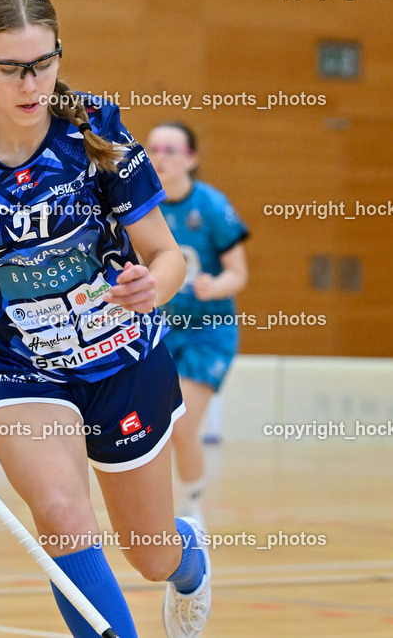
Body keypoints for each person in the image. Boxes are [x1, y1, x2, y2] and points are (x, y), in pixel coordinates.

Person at [0, 0, 211, 638]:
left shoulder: (95, 128)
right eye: (12, 68)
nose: (32, 84)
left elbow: (166, 255)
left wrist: (155, 287)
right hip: (21, 369)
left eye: (45, 62)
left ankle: (189, 557)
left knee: (149, 552)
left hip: (124, 359)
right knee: (61, 512)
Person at [147, 122, 249, 525]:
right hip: (161, 332)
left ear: (191, 158)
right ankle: (160, 508)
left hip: (209, 333)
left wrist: (214, 285)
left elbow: (238, 273)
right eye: (154, 148)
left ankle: (191, 506)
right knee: (151, 427)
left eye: (172, 150)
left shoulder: (210, 205)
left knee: (182, 425)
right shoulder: (144, 207)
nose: (161, 157)